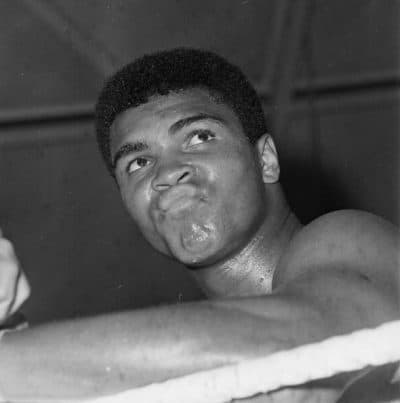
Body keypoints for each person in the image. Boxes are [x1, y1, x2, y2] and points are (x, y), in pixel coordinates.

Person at [0, 48, 398, 402]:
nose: (167, 173)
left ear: (266, 160)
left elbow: (306, 344)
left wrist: (15, 360)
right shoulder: (200, 382)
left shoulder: (345, 238)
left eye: (198, 136)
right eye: (138, 163)